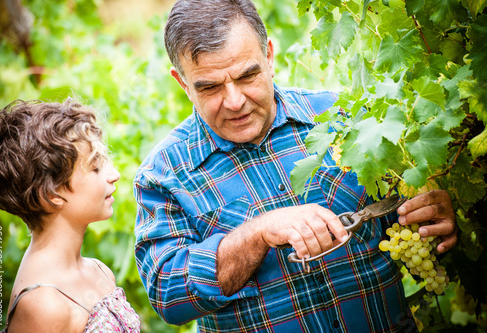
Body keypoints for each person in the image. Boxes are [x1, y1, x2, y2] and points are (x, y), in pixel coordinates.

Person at [133, 0, 457, 331]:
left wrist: (433, 220)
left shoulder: (343, 118)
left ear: (269, 56)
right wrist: (257, 234)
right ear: (183, 83)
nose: (234, 101)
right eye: (210, 87)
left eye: (248, 76)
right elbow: (168, 296)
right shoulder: (164, 174)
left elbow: (410, 231)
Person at [0, 99, 140, 333]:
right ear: (52, 193)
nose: (115, 174)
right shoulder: (44, 305)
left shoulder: (99, 271)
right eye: (96, 167)